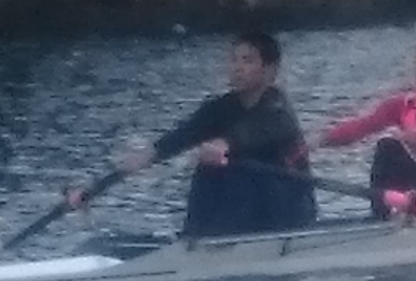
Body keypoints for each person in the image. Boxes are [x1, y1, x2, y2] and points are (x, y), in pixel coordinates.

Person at [70, 32, 317, 237]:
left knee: (229, 170)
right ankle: (196, 241)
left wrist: (223, 144)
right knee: (208, 168)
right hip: (245, 213)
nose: (237, 68)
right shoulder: (219, 108)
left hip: (286, 211)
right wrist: (94, 189)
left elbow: (252, 131)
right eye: (233, 60)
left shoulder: (278, 110)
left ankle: (211, 244)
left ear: (270, 70)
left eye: (247, 61)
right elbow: (176, 140)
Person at [311, 37, 416, 218]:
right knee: (387, 147)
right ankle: (383, 216)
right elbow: (364, 125)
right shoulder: (403, 104)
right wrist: (322, 139)